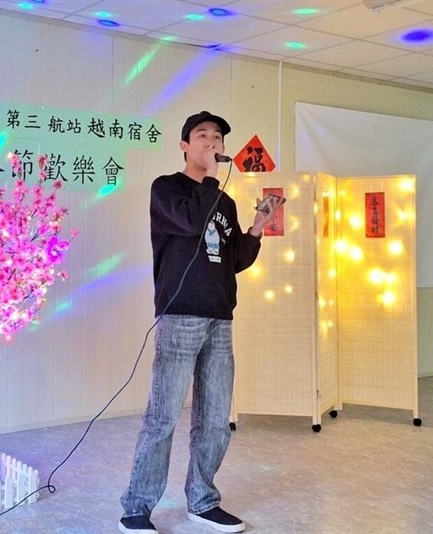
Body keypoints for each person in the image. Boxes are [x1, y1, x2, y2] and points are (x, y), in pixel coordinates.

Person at [119, 111, 284, 534]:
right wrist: (210, 179)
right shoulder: (167, 188)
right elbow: (192, 222)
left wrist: (257, 229)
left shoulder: (225, 202)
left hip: (219, 318)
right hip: (180, 316)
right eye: (203, 136)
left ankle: (203, 500)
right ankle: (137, 508)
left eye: (218, 138)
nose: (212, 142)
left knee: (214, 419)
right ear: (185, 146)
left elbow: (233, 262)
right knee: (163, 416)